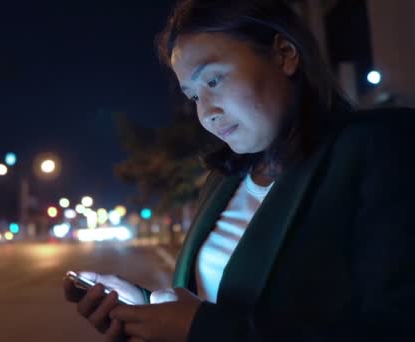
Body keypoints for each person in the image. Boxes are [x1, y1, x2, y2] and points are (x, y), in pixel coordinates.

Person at [63, 0, 415, 340]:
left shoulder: (380, 147)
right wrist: (144, 310)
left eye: (214, 81)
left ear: (284, 54)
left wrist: (200, 329)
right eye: (194, 96)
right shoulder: (223, 181)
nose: (207, 112)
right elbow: (209, 306)